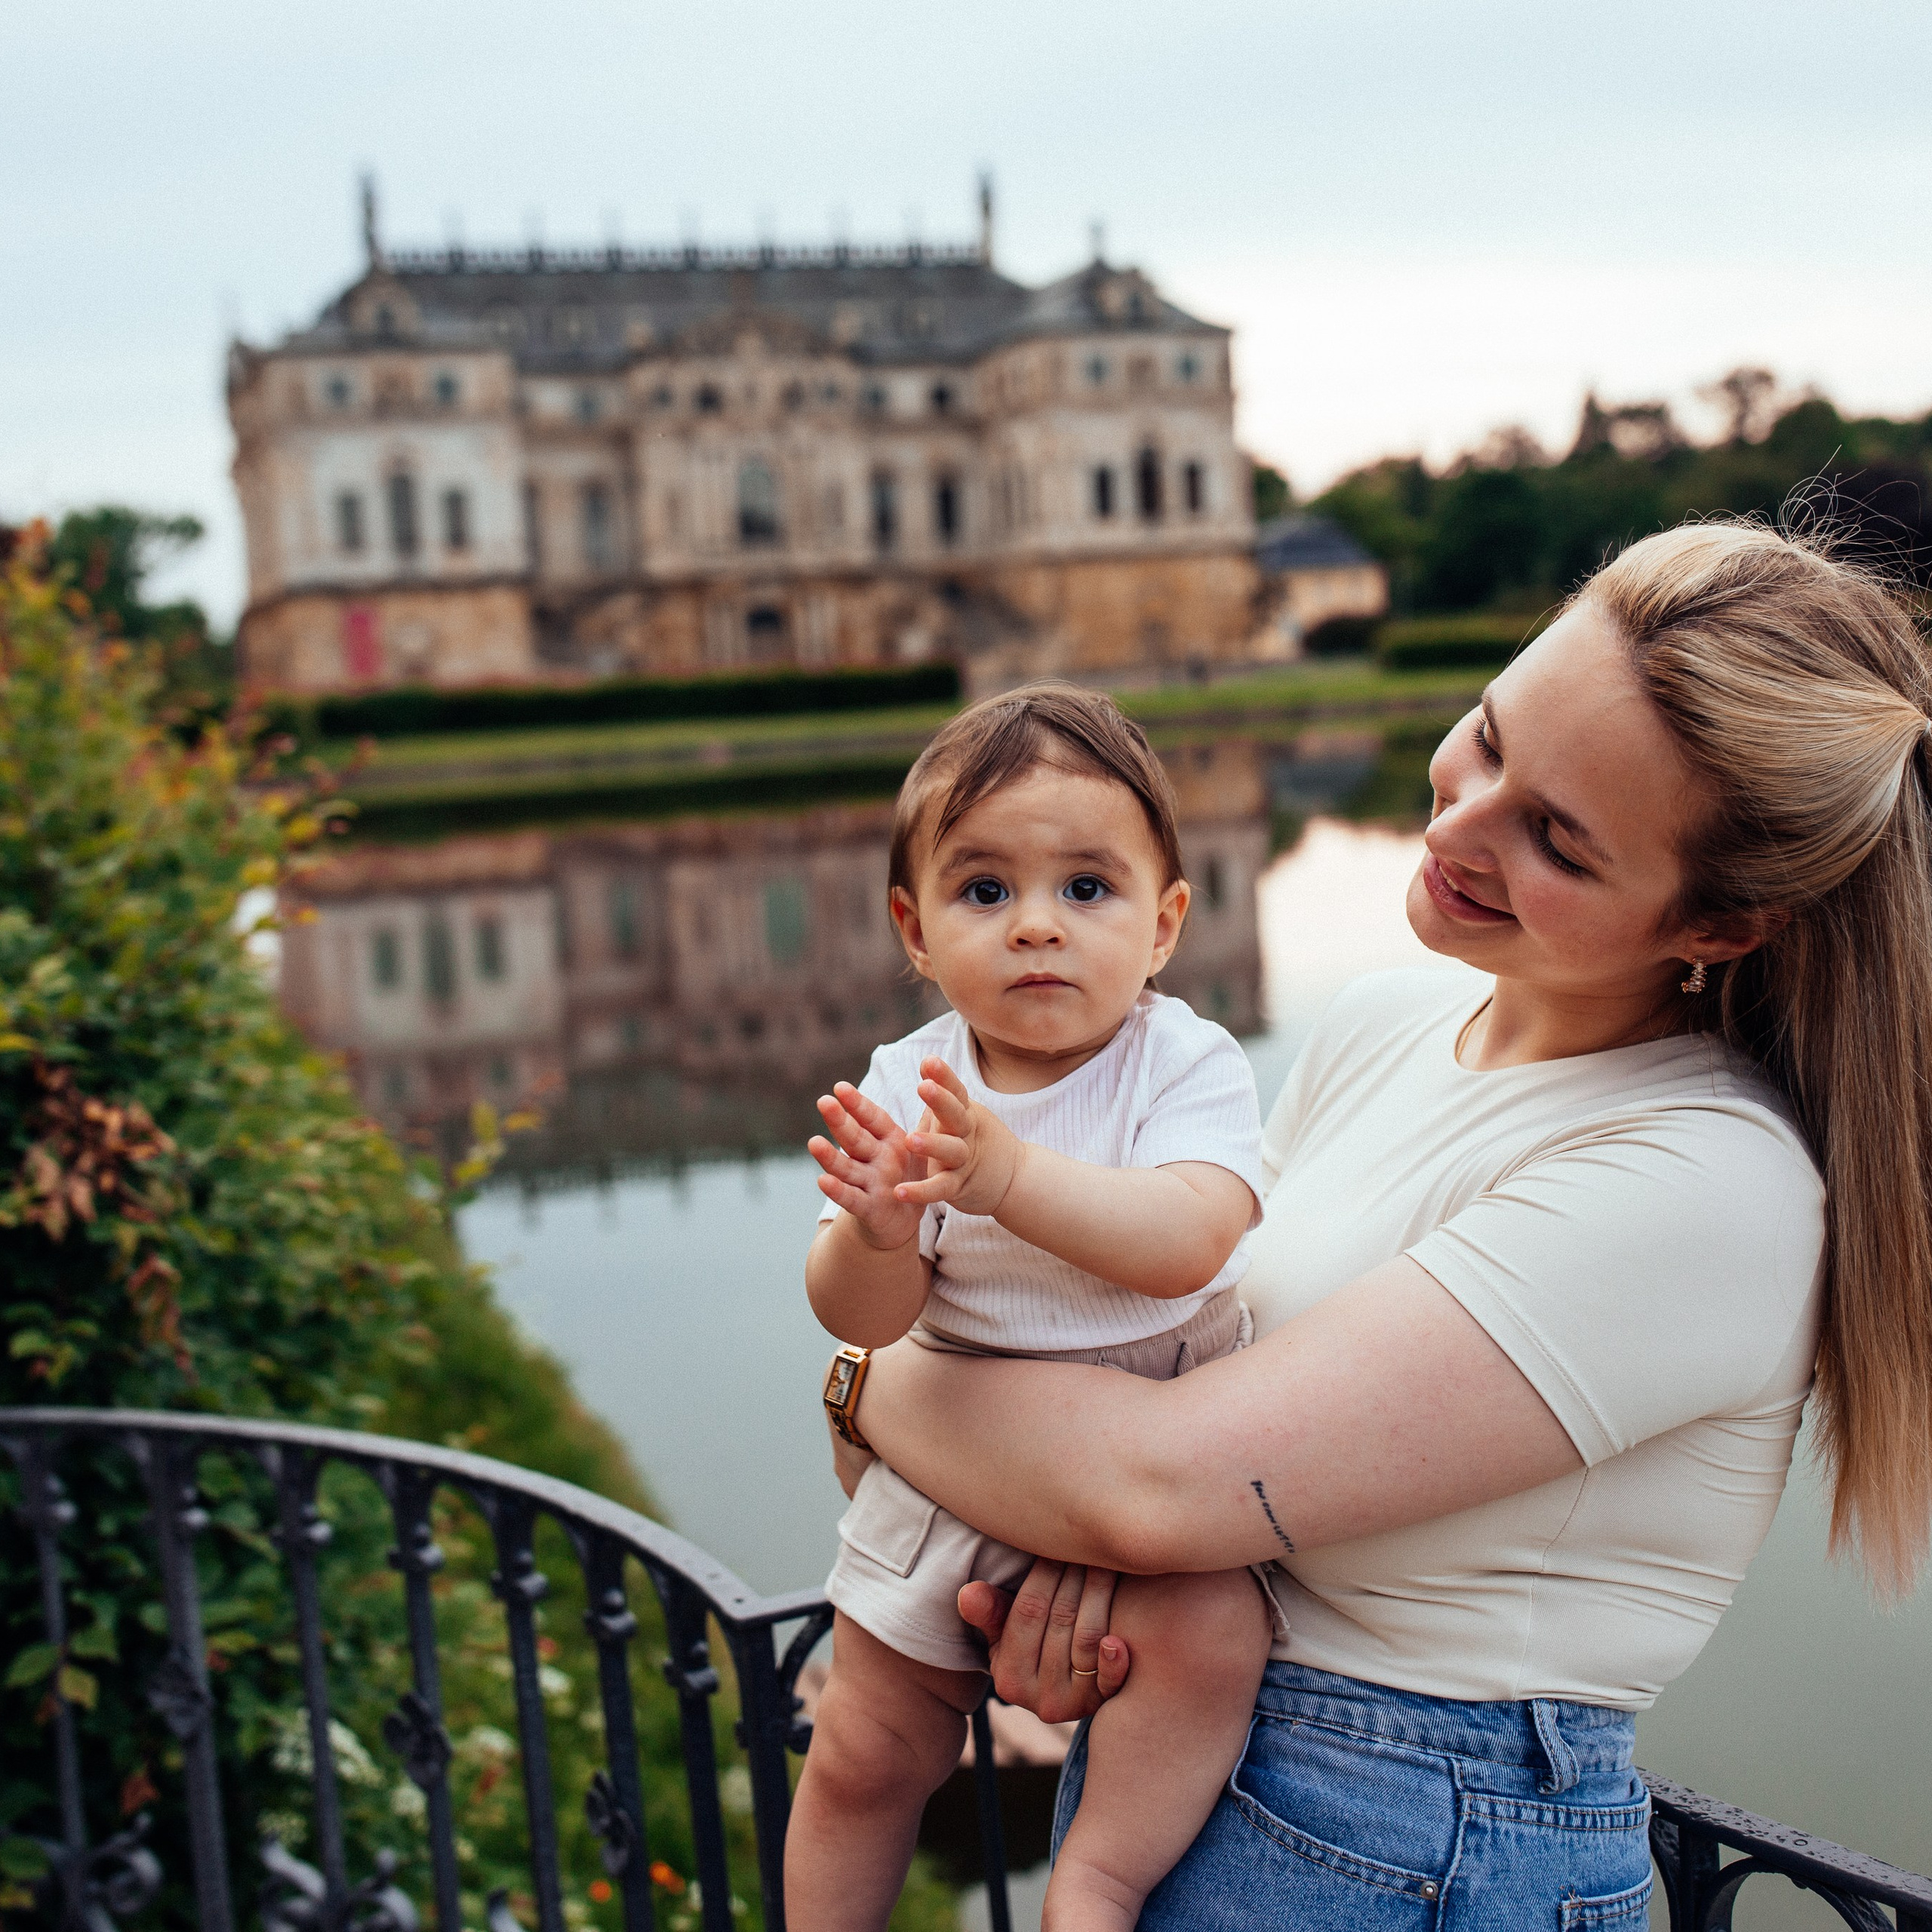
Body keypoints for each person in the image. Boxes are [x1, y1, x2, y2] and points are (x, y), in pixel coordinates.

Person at [833, 523, 1932, 1925]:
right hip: (1211, 1753)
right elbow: (1162, 1362)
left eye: (1557, 840)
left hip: (1420, 1835)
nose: (1460, 826)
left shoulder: (1706, 1178)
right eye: (1487, 739)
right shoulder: (1388, 1024)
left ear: (1720, 927)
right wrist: (1089, 1601)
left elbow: (1154, 1480)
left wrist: (868, 1377)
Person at [786, 686, 1280, 1932]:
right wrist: (879, 1232)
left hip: (1155, 1493)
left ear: (1166, 924)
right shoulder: (912, 1079)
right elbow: (859, 1319)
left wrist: (1005, 1176)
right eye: (986, 892)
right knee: (857, 1751)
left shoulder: (1185, 1063)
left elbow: (1187, 1240)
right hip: (956, 1479)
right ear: (915, 927)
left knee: (1213, 1648)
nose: (1037, 930)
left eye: (1088, 890)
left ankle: (1094, 1891)